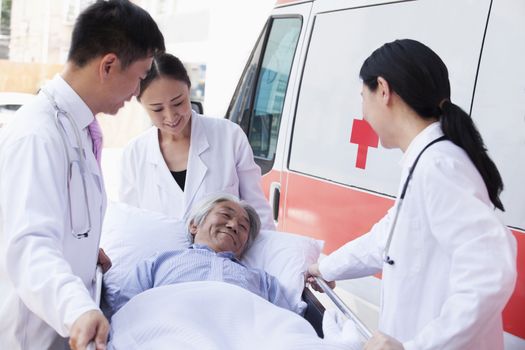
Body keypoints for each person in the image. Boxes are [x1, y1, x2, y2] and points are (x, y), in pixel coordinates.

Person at [307, 39, 517, 350]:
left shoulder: (438, 165)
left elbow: (489, 272)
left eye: (362, 98)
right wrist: (324, 269)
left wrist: (416, 347)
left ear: (383, 89)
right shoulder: (426, 160)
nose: (363, 113)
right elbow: (385, 239)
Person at [0, 1, 164, 349]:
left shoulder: (76, 129)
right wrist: (77, 309)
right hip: (32, 336)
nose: (137, 92)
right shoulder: (37, 135)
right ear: (108, 65)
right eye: (139, 75)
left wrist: (84, 249)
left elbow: (60, 221)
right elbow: (29, 245)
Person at [119, 53, 275, 230]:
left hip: (224, 257)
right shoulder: (135, 153)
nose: (170, 117)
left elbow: (257, 211)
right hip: (158, 257)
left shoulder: (229, 136)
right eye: (157, 109)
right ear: (141, 103)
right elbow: (129, 223)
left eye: (178, 103)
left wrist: (269, 256)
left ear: (189, 89)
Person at [110, 194, 291, 315]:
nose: (234, 225)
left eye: (243, 226)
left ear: (243, 246)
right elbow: (124, 308)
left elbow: (286, 323)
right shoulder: (159, 262)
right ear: (194, 225)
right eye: (225, 215)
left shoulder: (263, 281)